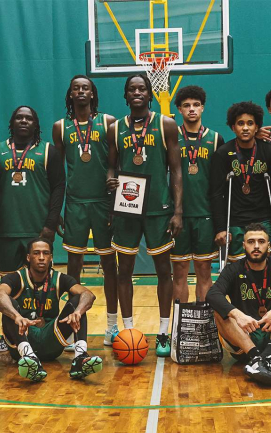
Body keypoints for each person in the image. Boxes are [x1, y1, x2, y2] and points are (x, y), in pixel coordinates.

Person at [106, 73, 183, 356]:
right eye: (131, 89)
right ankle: (127, 330)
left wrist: (178, 211)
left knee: (164, 270)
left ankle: (163, 332)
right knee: (123, 271)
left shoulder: (166, 124)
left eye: (142, 88)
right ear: (125, 95)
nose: (137, 92)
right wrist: (110, 181)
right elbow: (111, 166)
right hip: (126, 207)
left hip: (158, 208)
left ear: (150, 94)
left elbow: (176, 170)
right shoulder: (115, 128)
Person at [52, 75, 120, 346]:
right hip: (76, 203)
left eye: (86, 88)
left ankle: (112, 326)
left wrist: (117, 203)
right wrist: (56, 208)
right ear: (70, 95)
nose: (81, 91)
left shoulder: (109, 122)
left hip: (104, 203)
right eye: (76, 88)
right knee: (73, 269)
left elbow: (117, 162)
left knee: (109, 266)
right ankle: (71, 327)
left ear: (93, 94)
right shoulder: (60, 127)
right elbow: (56, 173)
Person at [0, 105, 64, 352]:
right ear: (12, 123)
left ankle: (49, 333)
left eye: (29, 118)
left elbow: (58, 189)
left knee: (42, 286)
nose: (24, 121)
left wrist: (50, 225)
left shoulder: (48, 152)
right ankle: (9, 336)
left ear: (36, 124)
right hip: (6, 231)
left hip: (38, 233)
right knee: (9, 290)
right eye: (19, 118)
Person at [206, 223, 271, 386]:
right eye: (251, 241)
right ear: (243, 245)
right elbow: (212, 295)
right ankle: (257, 358)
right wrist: (237, 314)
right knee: (220, 312)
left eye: (261, 242)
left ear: (269, 246)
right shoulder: (233, 269)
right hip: (243, 338)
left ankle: (264, 359)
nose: (256, 246)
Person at [0, 237, 103, 382]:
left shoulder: (59, 278)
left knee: (78, 301)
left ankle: (80, 358)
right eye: (36, 253)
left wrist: (78, 312)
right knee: (8, 305)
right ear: (28, 257)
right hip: (23, 336)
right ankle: (29, 357)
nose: (41, 257)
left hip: (51, 339)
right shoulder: (15, 278)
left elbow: (88, 294)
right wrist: (16, 316)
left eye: (46, 253)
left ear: (51, 257)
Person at [171, 85, 224, 303]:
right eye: (186, 106)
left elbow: (219, 184)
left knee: (204, 271)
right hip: (178, 216)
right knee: (180, 272)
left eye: (196, 105)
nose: (191, 109)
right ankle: (181, 326)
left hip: (205, 215)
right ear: (180, 110)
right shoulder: (171, 136)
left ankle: (202, 324)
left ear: (202, 108)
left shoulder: (215, 138)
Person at [209, 101, 271, 263]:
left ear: (257, 127)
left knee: (264, 266)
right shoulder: (222, 153)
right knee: (237, 270)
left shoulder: (269, 152)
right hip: (235, 221)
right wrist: (221, 228)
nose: (245, 128)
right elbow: (216, 193)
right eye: (240, 123)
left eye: (250, 123)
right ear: (232, 127)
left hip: (264, 219)